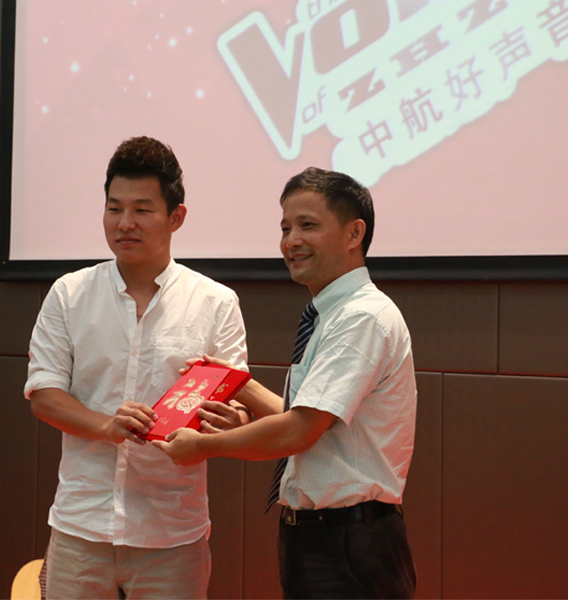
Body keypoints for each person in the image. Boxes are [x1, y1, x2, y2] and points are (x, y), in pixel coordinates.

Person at [154, 166, 418, 599]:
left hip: (349, 541)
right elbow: (311, 421)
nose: (291, 240)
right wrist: (235, 383)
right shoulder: (332, 314)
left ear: (354, 234)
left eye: (307, 226)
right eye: (285, 228)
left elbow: (300, 430)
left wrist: (202, 446)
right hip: (321, 537)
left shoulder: (361, 317)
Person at [24, 136, 248, 599]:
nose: (124, 223)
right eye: (114, 208)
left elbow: (233, 404)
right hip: (81, 527)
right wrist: (107, 426)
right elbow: (44, 395)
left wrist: (228, 424)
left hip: (172, 534)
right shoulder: (69, 294)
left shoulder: (215, 302)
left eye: (142, 210)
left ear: (176, 217)